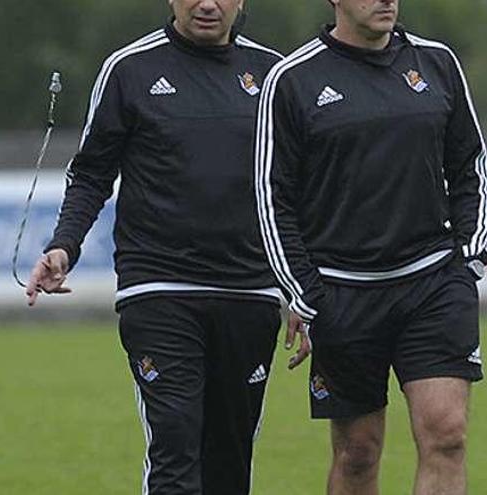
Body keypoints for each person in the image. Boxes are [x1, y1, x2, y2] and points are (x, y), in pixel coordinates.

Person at [26, 1, 297, 493]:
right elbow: (91, 173)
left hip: (250, 290)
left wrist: (303, 289)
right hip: (159, 287)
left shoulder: (274, 74)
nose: (208, 4)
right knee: (175, 443)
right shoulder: (129, 69)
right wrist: (65, 245)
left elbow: (299, 190)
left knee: (230, 457)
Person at [255, 0, 487, 494]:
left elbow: (469, 164)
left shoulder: (437, 62)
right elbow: (273, 200)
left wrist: (468, 261)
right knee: (357, 453)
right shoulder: (292, 79)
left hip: (434, 284)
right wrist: (308, 295)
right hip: (343, 294)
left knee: (446, 435)